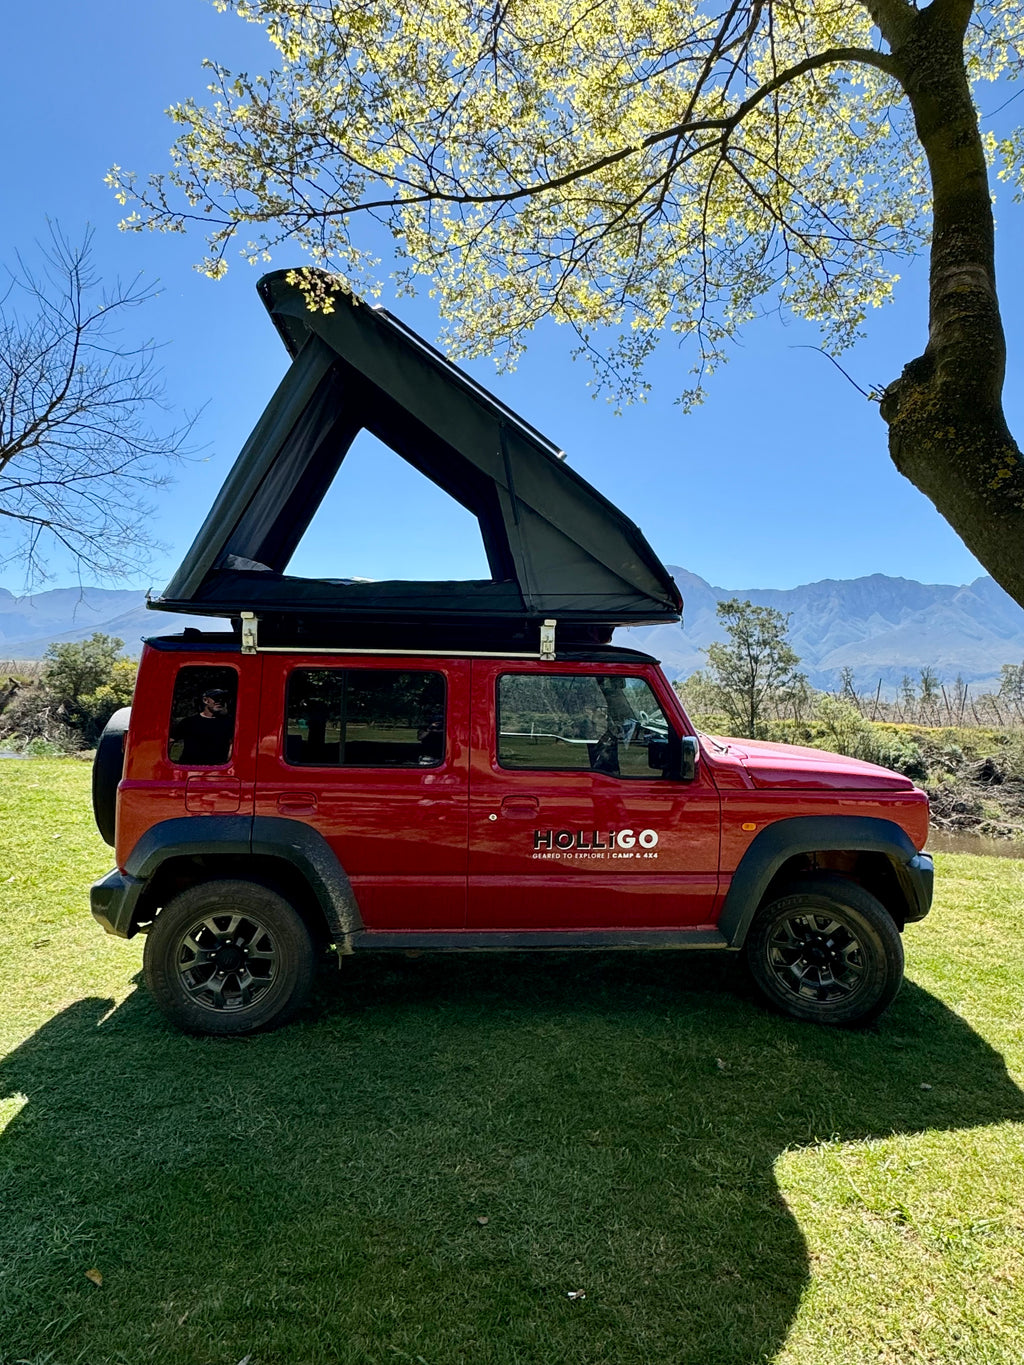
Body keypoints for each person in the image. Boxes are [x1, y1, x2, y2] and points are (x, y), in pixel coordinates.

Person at [173, 688, 234, 766]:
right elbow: (171, 740)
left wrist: (226, 763)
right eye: (216, 698)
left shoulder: (229, 722)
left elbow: (232, 744)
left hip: (217, 770)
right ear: (205, 700)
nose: (220, 700)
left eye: (223, 698)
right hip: (189, 768)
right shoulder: (188, 722)